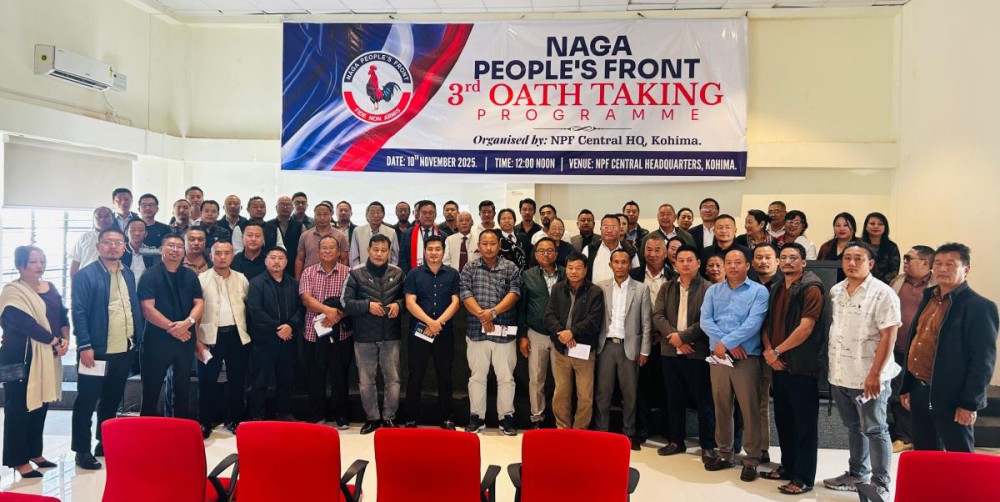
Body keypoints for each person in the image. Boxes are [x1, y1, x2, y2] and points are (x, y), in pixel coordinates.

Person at [900, 243, 999, 453]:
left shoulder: (980, 307)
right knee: (925, 452)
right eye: (939, 264)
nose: (943, 269)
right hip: (920, 388)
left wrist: (970, 403)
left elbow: (983, 362)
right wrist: (907, 386)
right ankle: (931, 487)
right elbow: (916, 340)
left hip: (953, 396)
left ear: (966, 269)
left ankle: (965, 488)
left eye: (950, 264)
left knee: (960, 457)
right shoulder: (929, 297)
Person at [823, 241, 900, 499]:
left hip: (869, 376)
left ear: (870, 264)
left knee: (876, 429)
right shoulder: (836, 291)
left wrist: (875, 374)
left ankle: (881, 482)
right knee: (853, 427)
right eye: (847, 258)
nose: (852, 263)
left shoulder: (883, 293)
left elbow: (889, 335)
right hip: (840, 373)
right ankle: (857, 473)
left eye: (858, 258)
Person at [760, 243, 827, 495]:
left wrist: (777, 351)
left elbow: (806, 328)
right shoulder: (777, 286)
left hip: (801, 367)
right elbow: (766, 324)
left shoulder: (812, 288)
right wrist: (769, 351)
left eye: (794, 258)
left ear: (804, 262)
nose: (788, 261)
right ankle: (787, 468)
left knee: (804, 426)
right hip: (778, 365)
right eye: (784, 257)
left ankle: (803, 478)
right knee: (784, 421)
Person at [71, 229, 142, 469]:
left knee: (111, 400)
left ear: (124, 247)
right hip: (96, 351)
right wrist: (84, 345)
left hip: (123, 348)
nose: (113, 247)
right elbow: (78, 312)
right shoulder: (85, 276)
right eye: (108, 242)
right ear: (99, 246)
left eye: (118, 243)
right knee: (86, 401)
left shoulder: (128, 273)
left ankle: (104, 442)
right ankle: (81, 450)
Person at [701, 248, 769, 482]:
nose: (732, 266)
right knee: (721, 406)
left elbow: (753, 323)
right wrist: (725, 345)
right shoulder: (713, 291)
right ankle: (725, 453)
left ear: (748, 265)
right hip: (719, 358)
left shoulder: (759, 292)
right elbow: (705, 320)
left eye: (738, 262)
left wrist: (727, 342)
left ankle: (751, 459)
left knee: (749, 410)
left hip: (746, 358)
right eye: (728, 262)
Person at [1, 246, 68, 477]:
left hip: (47, 355)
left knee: (40, 404)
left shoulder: (50, 288)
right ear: (20, 265)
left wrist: (65, 339)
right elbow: (23, 323)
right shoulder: (12, 292)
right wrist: (55, 340)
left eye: (42, 260)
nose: (39, 265)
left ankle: (34, 452)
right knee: (18, 407)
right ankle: (18, 460)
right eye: (33, 261)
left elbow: (63, 314)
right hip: (17, 357)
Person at [653, 245, 716, 461]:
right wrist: (676, 339)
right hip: (670, 352)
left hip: (696, 353)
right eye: (681, 260)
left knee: (703, 401)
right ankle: (676, 441)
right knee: (673, 399)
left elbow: (706, 321)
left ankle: (707, 445)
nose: (685, 264)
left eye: (690, 260)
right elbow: (658, 316)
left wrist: (684, 338)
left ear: (698, 263)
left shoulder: (709, 289)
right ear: (675, 264)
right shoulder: (667, 287)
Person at [460, 230, 522, 435]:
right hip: (477, 332)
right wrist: (482, 315)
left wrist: (493, 312)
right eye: (484, 243)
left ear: (499, 245)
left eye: (492, 243)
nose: (488, 247)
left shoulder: (510, 267)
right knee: (477, 377)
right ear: (479, 245)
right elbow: (465, 293)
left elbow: (515, 293)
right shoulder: (470, 267)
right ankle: (476, 417)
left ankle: (506, 417)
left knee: (506, 378)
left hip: (504, 334)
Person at [343, 234, 404, 434]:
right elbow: (346, 303)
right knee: (366, 380)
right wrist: (367, 306)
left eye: (383, 250)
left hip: (391, 335)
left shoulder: (398, 272)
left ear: (389, 252)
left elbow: (408, 299)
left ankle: (389, 417)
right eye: (375, 249)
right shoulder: (355, 273)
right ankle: (372, 418)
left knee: (393, 379)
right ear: (368, 250)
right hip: (364, 336)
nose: (379, 254)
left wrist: (398, 304)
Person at [138, 234, 204, 419]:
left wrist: (188, 323)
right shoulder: (149, 275)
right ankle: (148, 432)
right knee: (151, 390)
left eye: (179, 246)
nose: (175, 250)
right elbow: (147, 309)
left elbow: (199, 303)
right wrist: (174, 329)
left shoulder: (190, 276)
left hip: (185, 340)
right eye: (171, 246)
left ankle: (179, 430)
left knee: (181, 388)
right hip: (156, 340)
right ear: (161, 250)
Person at [594, 250, 652, 450]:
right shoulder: (601, 287)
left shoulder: (641, 289)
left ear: (630, 265)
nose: (619, 266)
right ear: (610, 265)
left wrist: (644, 351)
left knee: (630, 394)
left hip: (630, 348)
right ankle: (601, 432)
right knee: (603, 393)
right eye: (616, 262)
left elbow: (646, 323)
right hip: (606, 346)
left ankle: (629, 433)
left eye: (624, 262)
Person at [403, 235, 461, 429]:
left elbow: (455, 302)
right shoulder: (413, 274)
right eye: (430, 249)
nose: (434, 253)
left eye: (438, 249)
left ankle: (447, 417)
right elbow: (410, 302)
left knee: (445, 376)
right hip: (419, 332)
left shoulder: (452, 274)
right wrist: (430, 322)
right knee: (415, 376)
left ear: (443, 251)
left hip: (444, 333)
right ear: (424, 251)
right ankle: (411, 417)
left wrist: (439, 323)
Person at [544, 252, 604, 431]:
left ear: (585, 270)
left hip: (583, 350)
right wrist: (562, 334)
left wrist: (573, 332)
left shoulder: (595, 292)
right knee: (561, 394)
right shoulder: (558, 288)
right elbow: (548, 315)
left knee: (585, 396)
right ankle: (562, 429)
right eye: (570, 268)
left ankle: (579, 431)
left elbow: (593, 321)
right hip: (561, 349)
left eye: (578, 268)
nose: (573, 272)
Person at [196, 240, 250, 438]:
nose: (222, 256)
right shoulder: (201, 279)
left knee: (237, 380)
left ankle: (235, 419)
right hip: (210, 336)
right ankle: (205, 422)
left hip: (237, 335)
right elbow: (195, 311)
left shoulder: (242, 278)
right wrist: (197, 340)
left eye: (226, 253)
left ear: (232, 256)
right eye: (217, 253)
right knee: (207, 381)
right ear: (211, 256)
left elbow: (247, 307)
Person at [298, 235, 353, 429]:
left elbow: (353, 301)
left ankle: (340, 415)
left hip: (341, 334)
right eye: (324, 248)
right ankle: (317, 414)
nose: (328, 251)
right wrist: (328, 311)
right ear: (318, 252)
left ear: (339, 252)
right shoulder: (308, 272)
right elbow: (306, 298)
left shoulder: (349, 273)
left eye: (332, 248)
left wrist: (337, 315)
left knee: (340, 377)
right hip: (313, 334)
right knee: (315, 376)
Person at [886, 245, 935, 453]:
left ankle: (920, 436)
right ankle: (903, 436)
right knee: (898, 392)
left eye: (909, 258)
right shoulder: (897, 282)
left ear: (925, 263)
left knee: (920, 394)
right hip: (897, 347)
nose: (904, 261)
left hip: (924, 352)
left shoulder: (937, 285)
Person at [246, 247, 303, 421]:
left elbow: (300, 309)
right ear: (266, 261)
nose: (276, 261)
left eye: (281, 258)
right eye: (272, 257)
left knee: (286, 380)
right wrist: (279, 329)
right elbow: (255, 311)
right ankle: (256, 416)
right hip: (264, 341)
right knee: (260, 381)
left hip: (288, 341)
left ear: (286, 262)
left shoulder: (294, 283)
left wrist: (290, 326)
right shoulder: (256, 283)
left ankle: (284, 413)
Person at [517, 237, 566, 429]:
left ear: (556, 253)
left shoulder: (566, 273)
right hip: (536, 333)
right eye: (541, 251)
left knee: (562, 381)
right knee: (536, 379)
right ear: (536, 255)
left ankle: (560, 419)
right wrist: (523, 335)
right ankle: (537, 418)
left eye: (550, 250)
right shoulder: (527, 275)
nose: (546, 254)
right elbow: (522, 308)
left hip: (561, 334)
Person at [629, 234, 673, 441]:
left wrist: (662, 334)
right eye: (649, 250)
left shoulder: (674, 276)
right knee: (642, 386)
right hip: (640, 341)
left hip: (668, 341)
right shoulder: (633, 275)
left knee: (668, 386)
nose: (653, 254)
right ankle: (642, 428)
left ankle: (667, 428)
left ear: (665, 253)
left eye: (657, 250)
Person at [296, 202, 350, 277]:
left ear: (331, 216)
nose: (322, 218)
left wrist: (342, 277)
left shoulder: (340, 236)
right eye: (318, 214)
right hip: (309, 277)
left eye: (325, 214)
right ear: (314, 216)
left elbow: (344, 259)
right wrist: (298, 281)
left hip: (334, 276)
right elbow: (300, 259)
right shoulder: (305, 236)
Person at [584, 214, 638, 284]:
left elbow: (636, 276)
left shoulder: (630, 251)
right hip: (595, 294)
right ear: (600, 229)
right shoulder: (589, 250)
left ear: (619, 230)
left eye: (613, 227)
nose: (609, 231)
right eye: (606, 227)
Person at [350, 201, 399, 267]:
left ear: (383, 214)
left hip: (386, 273)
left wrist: (390, 272)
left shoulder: (391, 232)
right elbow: (354, 257)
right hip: (362, 272)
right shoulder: (357, 231)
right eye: (372, 212)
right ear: (367, 214)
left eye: (378, 212)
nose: (375, 215)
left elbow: (395, 257)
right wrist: (359, 272)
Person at [70, 206, 115, 276]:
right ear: (93, 220)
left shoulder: (119, 238)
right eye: (99, 216)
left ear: (112, 219)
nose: (102, 219)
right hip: (86, 280)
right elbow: (75, 263)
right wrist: (74, 284)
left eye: (106, 216)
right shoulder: (84, 237)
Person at [862, 212, 901, 284]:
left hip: (883, 287)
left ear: (885, 228)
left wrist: (878, 285)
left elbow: (894, 272)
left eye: (880, 224)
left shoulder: (892, 247)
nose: (876, 226)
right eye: (872, 224)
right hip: (859, 284)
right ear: (866, 227)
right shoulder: (859, 245)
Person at [817, 212, 857, 282]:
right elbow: (818, 268)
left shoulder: (860, 247)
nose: (841, 229)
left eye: (846, 225)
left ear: (853, 227)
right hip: (827, 284)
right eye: (838, 225)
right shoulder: (826, 247)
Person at [122, 218, 161, 283]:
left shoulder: (152, 252)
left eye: (140, 230)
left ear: (145, 234)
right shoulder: (120, 251)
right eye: (133, 230)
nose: (137, 233)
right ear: (126, 233)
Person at [269, 196, 304, 262]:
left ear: (293, 208)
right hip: (273, 263)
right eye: (282, 204)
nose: (285, 207)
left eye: (288, 205)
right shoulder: (269, 225)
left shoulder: (300, 226)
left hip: (293, 264)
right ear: (276, 208)